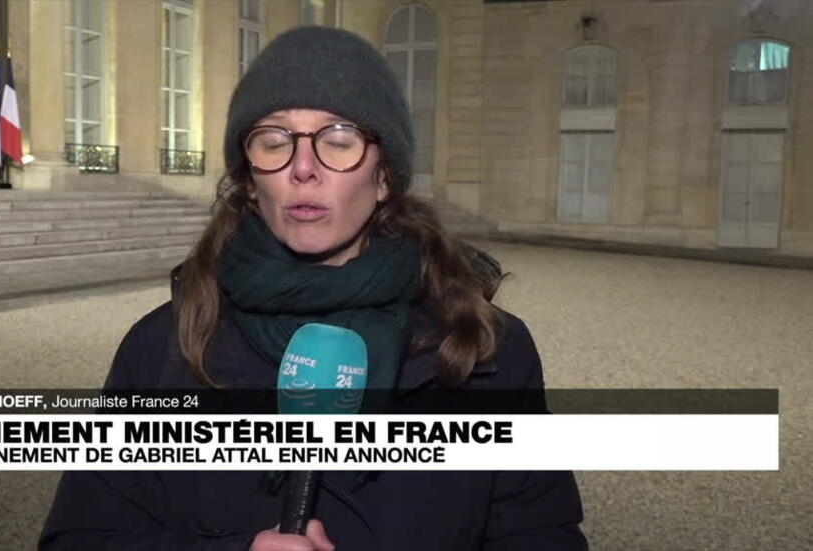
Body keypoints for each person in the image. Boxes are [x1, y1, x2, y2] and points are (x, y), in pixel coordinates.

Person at [39, 26, 586, 550]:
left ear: (384, 178)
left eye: (339, 140)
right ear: (250, 181)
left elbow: (540, 534)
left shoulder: (489, 351)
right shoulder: (162, 348)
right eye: (274, 141)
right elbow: (81, 538)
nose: (303, 167)